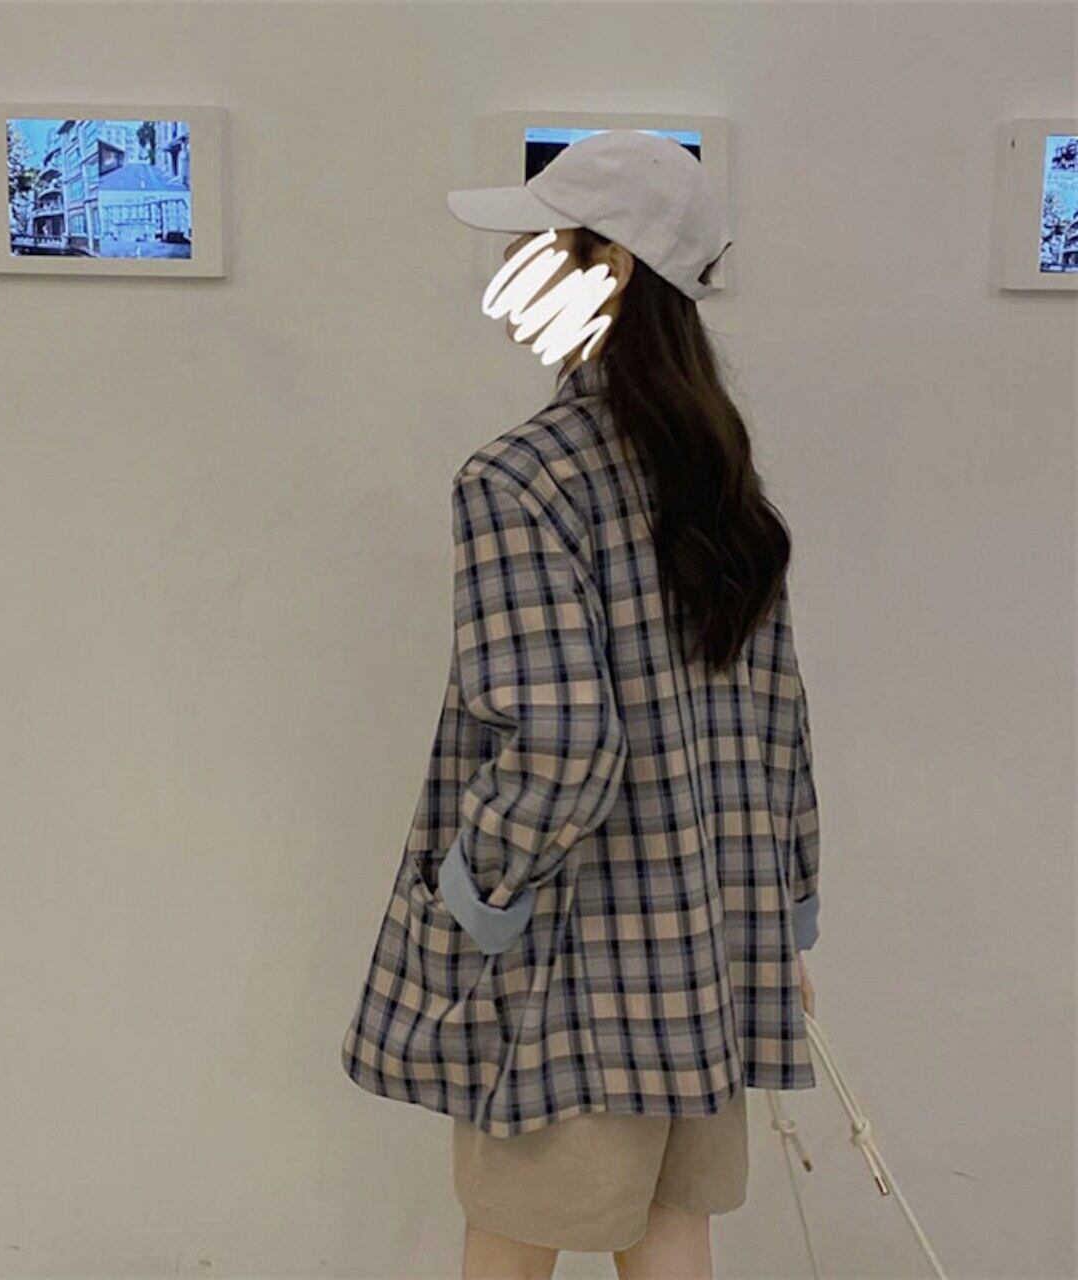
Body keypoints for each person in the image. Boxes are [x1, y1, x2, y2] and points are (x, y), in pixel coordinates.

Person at [340, 130, 821, 1280]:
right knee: (670, 1233)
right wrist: (786, 909)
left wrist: (474, 898)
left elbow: (560, 739)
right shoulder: (715, 471)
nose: (508, 268)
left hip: (569, 954)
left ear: (610, 266)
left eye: (536, 243)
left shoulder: (518, 476)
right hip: (707, 941)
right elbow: (779, 719)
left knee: (509, 1238)